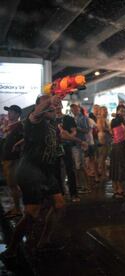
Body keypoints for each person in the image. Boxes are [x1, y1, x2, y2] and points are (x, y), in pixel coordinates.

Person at [0, 95, 65, 260]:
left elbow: (34, 136)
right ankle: (12, 249)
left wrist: (21, 142)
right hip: (30, 171)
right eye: (50, 106)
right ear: (41, 107)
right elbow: (35, 116)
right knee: (31, 214)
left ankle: (44, 241)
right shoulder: (34, 119)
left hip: (46, 171)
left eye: (57, 106)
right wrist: (50, 100)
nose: (55, 108)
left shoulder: (50, 123)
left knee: (59, 205)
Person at [1, 105, 23, 218]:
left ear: (18, 114)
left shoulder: (19, 126)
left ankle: (18, 209)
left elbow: (27, 138)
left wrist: (17, 145)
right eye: (8, 111)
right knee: (11, 184)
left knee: (13, 184)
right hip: (6, 158)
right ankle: (16, 207)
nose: (9, 113)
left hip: (13, 158)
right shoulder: (8, 126)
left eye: (12, 112)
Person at [109, 105, 125, 198]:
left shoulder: (122, 121)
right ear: (117, 111)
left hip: (122, 145)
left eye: (124, 111)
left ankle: (120, 189)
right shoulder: (116, 120)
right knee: (118, 167)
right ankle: (118, 190)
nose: (123, 112)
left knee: (121, 167)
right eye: (121, 111)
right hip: (118, 146)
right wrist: (118, 116)